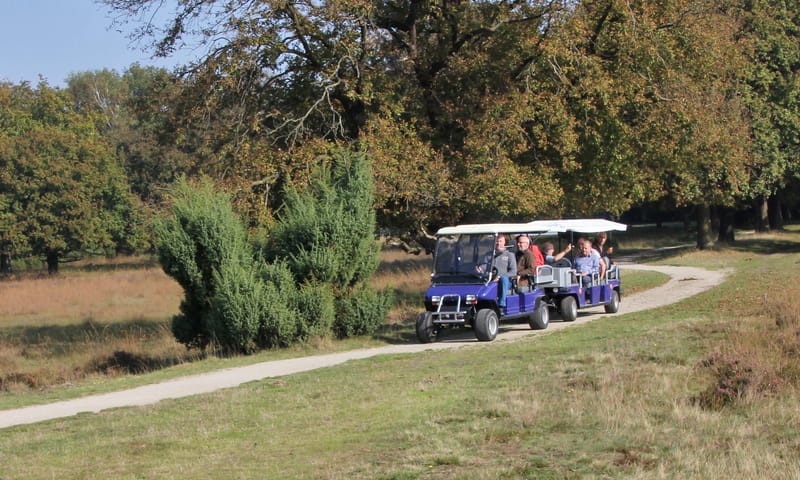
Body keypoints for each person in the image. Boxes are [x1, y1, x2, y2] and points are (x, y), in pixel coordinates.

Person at [476, 235, 516, 308]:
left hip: (505, 281)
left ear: (504, 242)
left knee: (504, 279)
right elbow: (485, 266)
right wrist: (480, 269)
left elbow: (513, 271)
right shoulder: (489, 255)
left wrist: (500, 277)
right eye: (497, 241)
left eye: (500, 241)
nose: (498, 243)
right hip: (491, 278)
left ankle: (501, 304)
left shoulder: (509, 255)